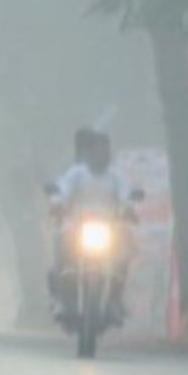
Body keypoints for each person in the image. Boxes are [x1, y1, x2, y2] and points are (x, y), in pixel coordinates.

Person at [50, 132, 133, 322]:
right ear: (88, 153)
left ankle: (114, 301)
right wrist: (58, 204)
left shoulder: (115, 177)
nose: (101, 155)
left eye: (105, 151)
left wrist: (128, 208)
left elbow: (125, 197)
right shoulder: (76, 174)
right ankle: (61, 300)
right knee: (61, 246)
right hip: (77, 227)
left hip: (108, 230)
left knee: (124, 250)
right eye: (97, 151)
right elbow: (62, 192)